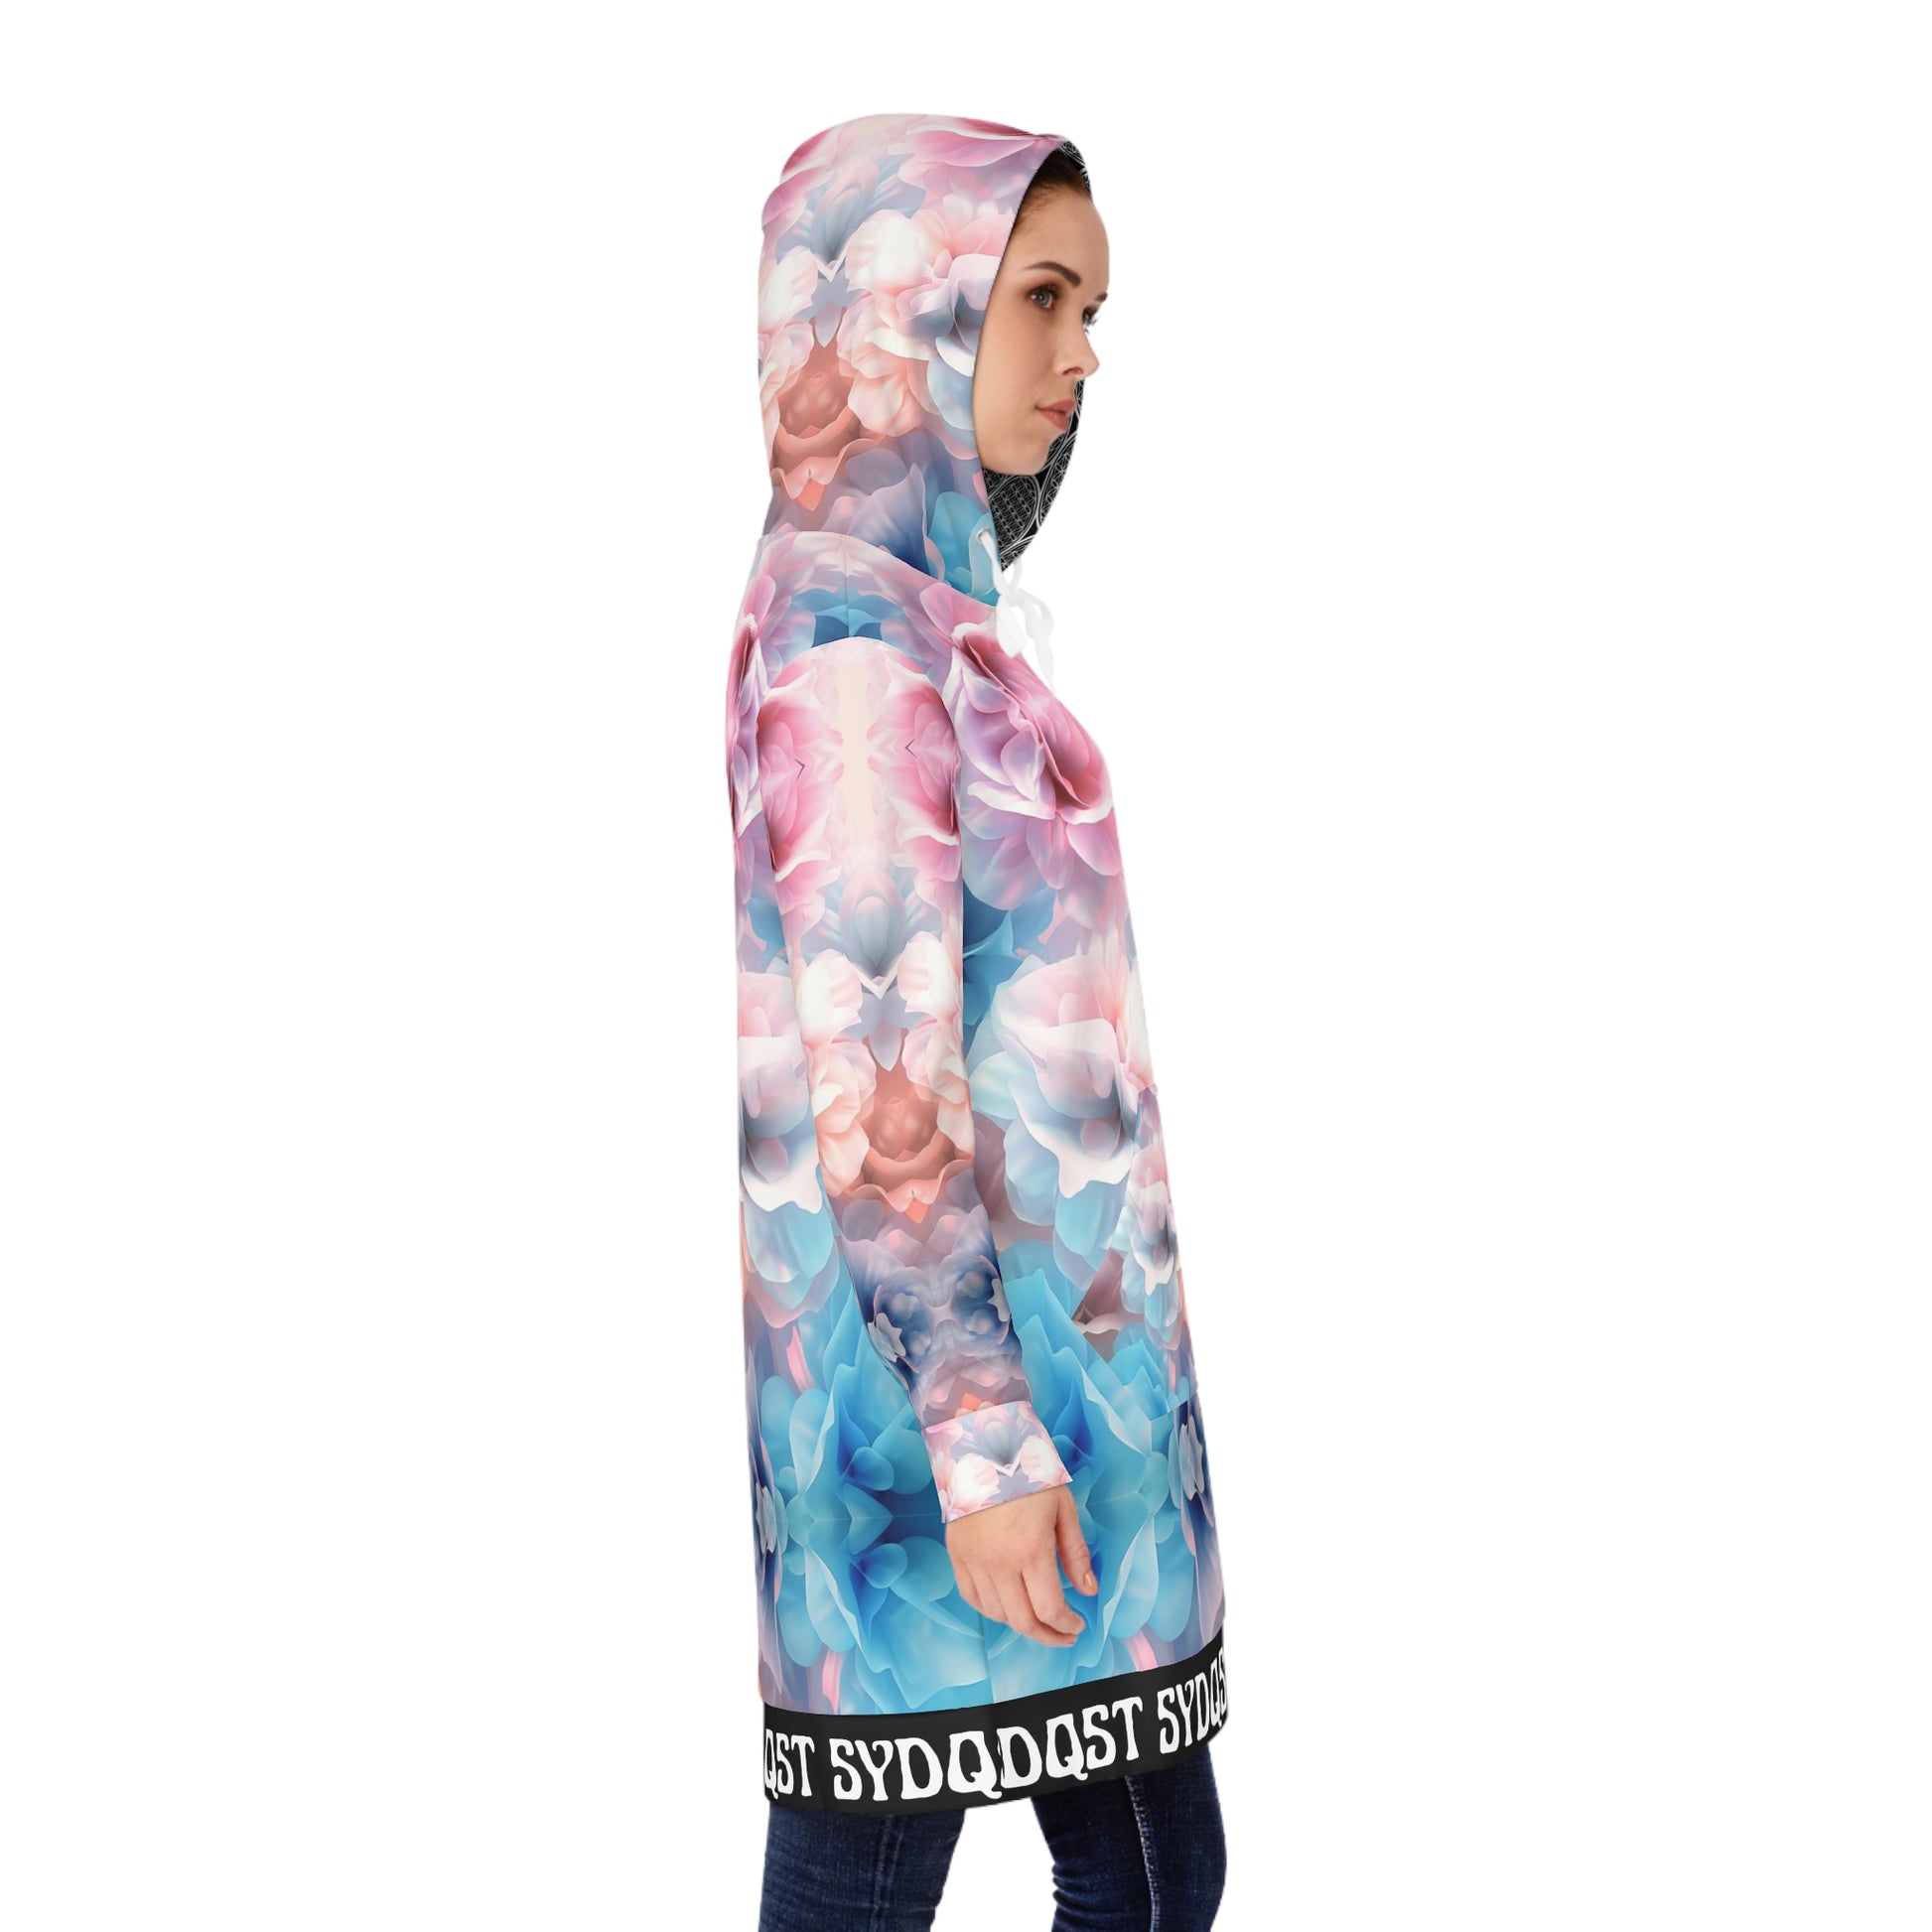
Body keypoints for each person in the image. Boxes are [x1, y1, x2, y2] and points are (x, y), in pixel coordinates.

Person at [724, 114, 1229, 1929]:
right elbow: (874, 1077)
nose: (1081, 355)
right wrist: (985, 1442)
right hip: (957, 1429)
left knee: (1134, 1865)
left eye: (1091, 312)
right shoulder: (855, 650)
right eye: (1039, 299)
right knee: (1076, 1875)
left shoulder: (914, 616)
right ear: (898, 308)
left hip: (1034, 1403)